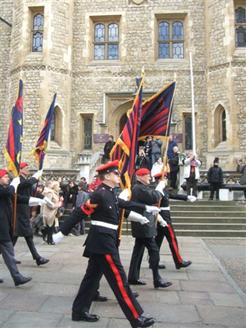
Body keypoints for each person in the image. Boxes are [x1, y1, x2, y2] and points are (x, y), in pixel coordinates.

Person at [53, 160, 159, 327]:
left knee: (91, 279)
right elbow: (80, 211)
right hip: (103, 242)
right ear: (108, 176)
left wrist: (145, 208)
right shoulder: (99, 194)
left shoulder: (110, 193)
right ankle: (136, 317)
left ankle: (79, 311)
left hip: (102, 241)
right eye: (116, 173)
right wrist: (62, 232)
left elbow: (124, 205)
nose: (119, 176)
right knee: (119, 280)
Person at [128, 168, 172, 289]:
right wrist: (160, 187)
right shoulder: (139, 188)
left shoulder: (142, 188)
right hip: (143, 225)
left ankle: (132, 276)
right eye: (147, 175)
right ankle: (157, 278)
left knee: (138, 251)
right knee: (154, 250)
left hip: (144, 223)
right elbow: (154, 198)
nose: (149, 178)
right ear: (140, 176)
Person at [153, 172, 195, 269]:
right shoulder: (158, 190)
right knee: (172, 239)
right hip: (163, 217)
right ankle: (178, 261)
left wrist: (187, 197)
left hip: (164, 216)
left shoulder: (163, 189)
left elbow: (173, 195)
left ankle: (153, 262)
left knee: (158, 241)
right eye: (165, 178)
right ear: (160, 180)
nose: (166, 180)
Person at [12, 162, 49, 266]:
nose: (28, 169)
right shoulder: (18, 180)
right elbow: (27, 184)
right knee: (28, 235)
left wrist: (44, 198)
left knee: (15, 236)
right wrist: (36, 176)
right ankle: (37, 258)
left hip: (24, 211)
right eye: (26, 168)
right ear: (20, 170)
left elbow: (33, 192)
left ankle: (9, 256)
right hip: (19, 212)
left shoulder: (24, 180)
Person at [0, 169, 32, 286]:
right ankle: (17, 277)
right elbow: (9, 192)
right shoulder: (4, 190)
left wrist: (36, 200)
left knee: (8, 252)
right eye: (5, 177)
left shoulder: (4, 189)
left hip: (5, 227)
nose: (8, 178)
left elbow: (15, 198)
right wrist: (15, 182)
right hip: (1, 229)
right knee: (9, 252)